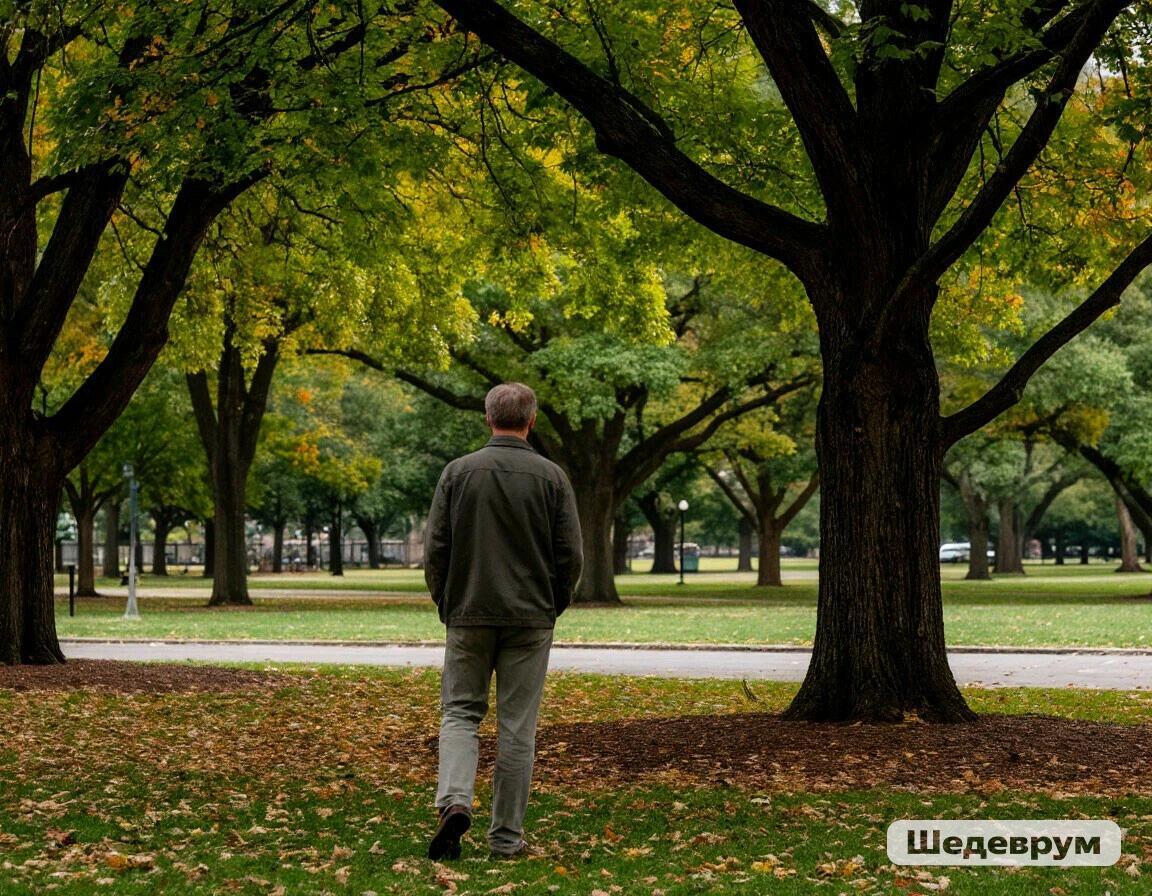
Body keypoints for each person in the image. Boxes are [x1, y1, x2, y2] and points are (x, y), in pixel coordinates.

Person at [424, 382, 583, 861]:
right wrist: (553, 603)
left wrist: (448, 602)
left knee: (459, 714)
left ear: (488, 418)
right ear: (530, 421)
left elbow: (436, 550)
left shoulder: (457, 473)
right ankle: (506, 838)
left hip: (469, 612)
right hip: (530, 618)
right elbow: (570, 555)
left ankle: (454, 800)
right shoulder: (552, 477)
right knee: (518, 728)